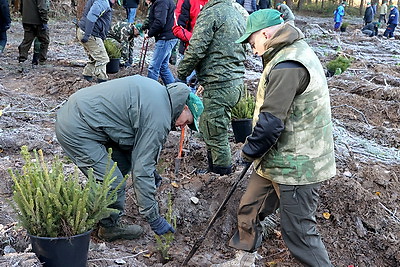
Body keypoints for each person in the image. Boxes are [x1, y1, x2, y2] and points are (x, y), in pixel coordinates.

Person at [213, 9, 336, 266]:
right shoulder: (285, 53)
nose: (251, 47)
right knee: (250, 209)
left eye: (251, 41)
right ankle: (244, 258)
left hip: (298, 164)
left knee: (299, 232)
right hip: (276, 156)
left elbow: (270, 125)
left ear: (266, 34)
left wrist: (248, 151)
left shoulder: (288, 65)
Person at [55, 75, 204, 242]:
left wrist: (150, 170)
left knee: (122, 165)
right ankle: (106, 227)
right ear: (183, 108)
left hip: (82, 114)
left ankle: (96, 212)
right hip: (77, 127)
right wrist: (153, 217)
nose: (182, 126)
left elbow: (134, 143)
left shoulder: (158, 95)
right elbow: (141, 170)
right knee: (112, 179)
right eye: (186, 122)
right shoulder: (159, 117)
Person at [177, 0, 246, 175]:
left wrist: (181, 72)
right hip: (233, 81)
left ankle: (221, 174)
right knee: (210, 125)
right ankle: (213, 170)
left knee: (216, 131)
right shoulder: (236, 12)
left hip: (220, 83)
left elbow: (196, 47)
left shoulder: (211, 13)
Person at [172, 0, 208, 91]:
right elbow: (178, 28)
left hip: (208, 55)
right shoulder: (186, 1)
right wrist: (197, 40)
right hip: (189, 52)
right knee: (185, 90)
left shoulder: (215, 3)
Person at [77, 0, 114, 83]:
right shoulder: (103, 2)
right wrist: (87, 34)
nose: (115, 2)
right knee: (103, 59)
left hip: (86, 32)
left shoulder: (103, 2)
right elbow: (91, 15)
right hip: (91, 34)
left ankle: (87, 74)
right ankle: (102, 80)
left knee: (96, 56)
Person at [145, 0, 178, 85]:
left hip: (165, 38)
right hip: (170, 36)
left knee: (153, 67)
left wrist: (149, 33)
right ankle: (174, 90)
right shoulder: (163, 1)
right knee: (163, 67)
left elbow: (160, 22)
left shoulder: (162, 2)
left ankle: (150, 92)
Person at [17, 0, 50, 71]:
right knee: (45, 40)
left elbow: (21, 6)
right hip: (38, 21)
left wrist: (24, 15)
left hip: (26, 20)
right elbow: (42, 7)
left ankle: (22, 60)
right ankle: (41, 61)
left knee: (27, 40)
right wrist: (44, 20)